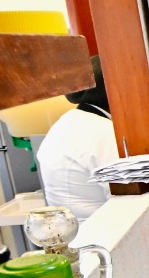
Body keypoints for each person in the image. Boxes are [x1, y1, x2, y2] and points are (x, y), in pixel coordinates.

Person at [37, 56, 118, 220]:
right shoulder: (103, 132)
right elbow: (126, 200)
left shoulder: (68, 121)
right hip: (100, 233)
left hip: (73, 231)